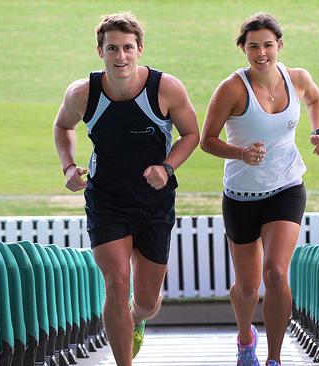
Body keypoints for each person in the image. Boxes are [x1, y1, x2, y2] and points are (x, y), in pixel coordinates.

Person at [53, 12, 199, 366]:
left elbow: (191, 134)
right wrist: (69, 166)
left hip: (154, 203)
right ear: (99, 51)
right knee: (117, 284)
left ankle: (136, 317)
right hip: (106, 201)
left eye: (128, 48)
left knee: (148, 301)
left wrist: (166, 168)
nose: (121, 57)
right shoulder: (82, 93)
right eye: (112, 48)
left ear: (140, 49)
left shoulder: (166, 89)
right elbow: (62, 127)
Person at [200, 12, 319, 366]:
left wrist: (318, 132)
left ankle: (274, 359)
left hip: (286, 186)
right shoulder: (231, 88)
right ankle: (245, 338)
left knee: (275, 273)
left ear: (280, 46)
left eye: (268, 45)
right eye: (253, 46)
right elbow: (206, 141)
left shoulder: (297, 78)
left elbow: (315, 100)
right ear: (243, 48)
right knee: (247, 286)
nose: (262, 53)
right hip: (241, 195)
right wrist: (241, 153)